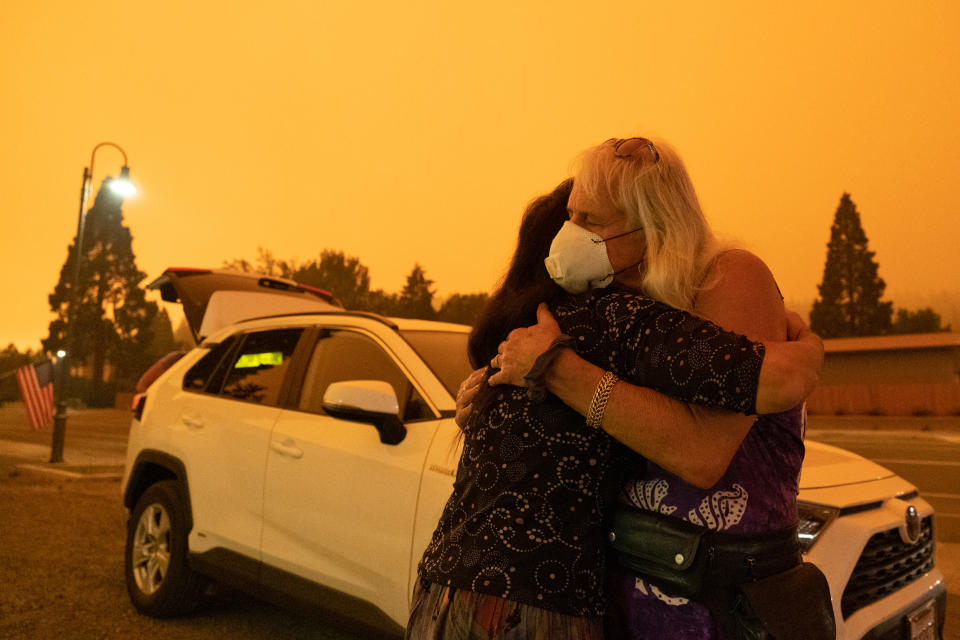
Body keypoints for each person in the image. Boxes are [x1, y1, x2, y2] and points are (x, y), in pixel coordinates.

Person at [407, 175, 823, 639]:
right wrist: (807, 347)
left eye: (588, 220)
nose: (581, 232)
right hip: (536, 608)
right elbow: (757, 376)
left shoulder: (519, 344)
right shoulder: (614, 322)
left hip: (444, 590)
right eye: (574, 220)